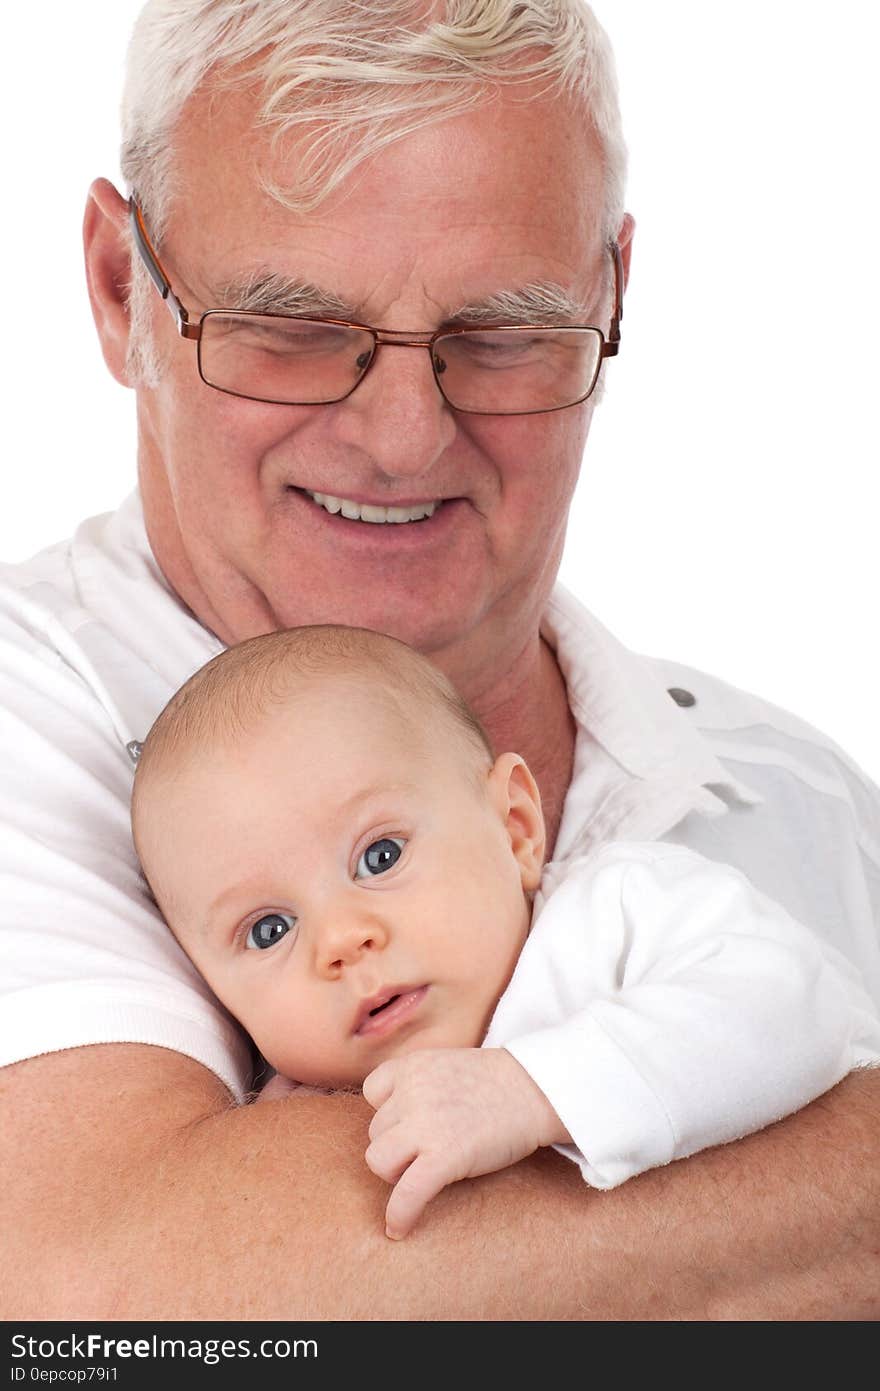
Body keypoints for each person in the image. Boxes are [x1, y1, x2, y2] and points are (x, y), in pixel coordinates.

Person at [0, 0, 878, 1320]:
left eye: (503, 334)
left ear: (610, 302)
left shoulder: (802, 796)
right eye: (289, 326)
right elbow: (102, 1301)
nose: (406, 436)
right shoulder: (28, 718)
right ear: (123, 289)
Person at [130, 623, 879, 1242]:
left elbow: (792, 1001)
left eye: (380, 856)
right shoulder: (303, 1107)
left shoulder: (619, 910)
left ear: (516, 827)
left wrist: (532, 1090)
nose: (341, 939)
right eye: (269, 930)